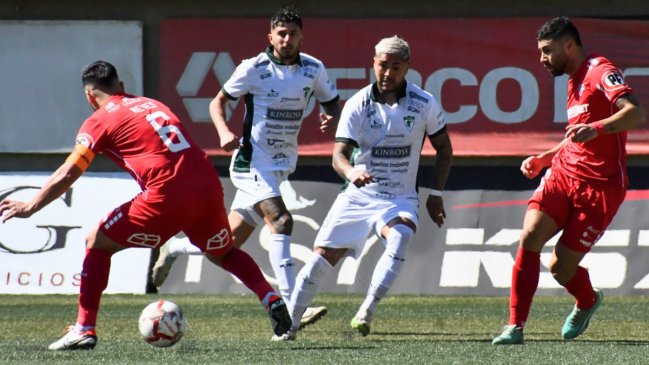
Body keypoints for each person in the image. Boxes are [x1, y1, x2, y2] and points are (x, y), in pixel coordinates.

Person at [0, 61, 291, 350]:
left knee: (97, 241)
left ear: (89, 96)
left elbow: (69, 171)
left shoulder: (99, 120)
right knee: (224, 252)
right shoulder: (152, 103)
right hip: (207, 185)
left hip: (167, 194)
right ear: (122, 87)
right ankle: (271, 298)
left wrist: (32, 206)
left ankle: (84, 328)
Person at [151, 6, 340, 328]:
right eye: (281, 34)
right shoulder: (254, 68)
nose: (287, 39)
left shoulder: (314, 69)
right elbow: (218, 102)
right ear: (271, 37)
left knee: (226, 244)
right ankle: (293, 308)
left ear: (301, 37)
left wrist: (329, 115)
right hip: (250, 162)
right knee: (280, 220)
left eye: (293, 34)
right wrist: (224, 132)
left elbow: (331, 101)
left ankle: (176, 247)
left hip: (280, 166)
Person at [273, 35, 453, 341]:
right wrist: (351, 171)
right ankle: (288, 327)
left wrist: (435, 194)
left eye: (395, 67)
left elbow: (444, 149)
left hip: (399, 198)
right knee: (319, 263)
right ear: (374, 63)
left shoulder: (424, 103)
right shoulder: (358, 103)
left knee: (401, 237)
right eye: (382, 65)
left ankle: (366, 310)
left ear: (406, 68)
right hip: (358, 196)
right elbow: (338, 156)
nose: (387, 73)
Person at [492, 16, 645, 345]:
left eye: (547, 51)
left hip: (601, 187)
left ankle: (587, 300)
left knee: (560, 269)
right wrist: (545, 158)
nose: (542, 58)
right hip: (563, 174)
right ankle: (515, 327)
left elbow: (636, 112)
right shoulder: (573, 82)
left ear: (569, 45)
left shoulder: (600, 70)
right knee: (530, 235)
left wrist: (599, 128)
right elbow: (576, 136)